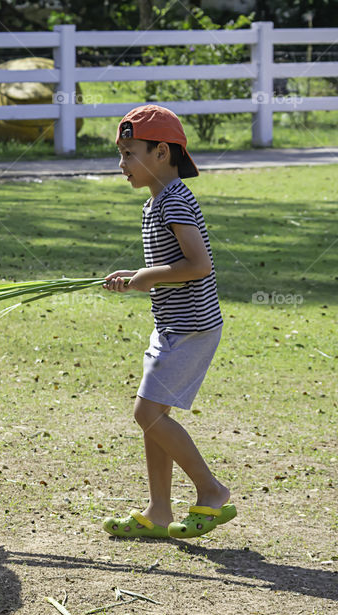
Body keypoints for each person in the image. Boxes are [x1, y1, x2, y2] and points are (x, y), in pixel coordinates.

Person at [102, 105, 235, 539]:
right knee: (151, 414)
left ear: (161, 151)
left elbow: (197, 265)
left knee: (147, 413)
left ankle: (211, 490)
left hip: (192, 327)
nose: (121, 164)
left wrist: (146, 278)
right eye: (120, 154)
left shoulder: (174, 200)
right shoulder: (156, 202)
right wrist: (134, 277)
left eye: (128, 153)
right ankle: (159, 510)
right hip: (172, 325)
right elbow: (170, 265)